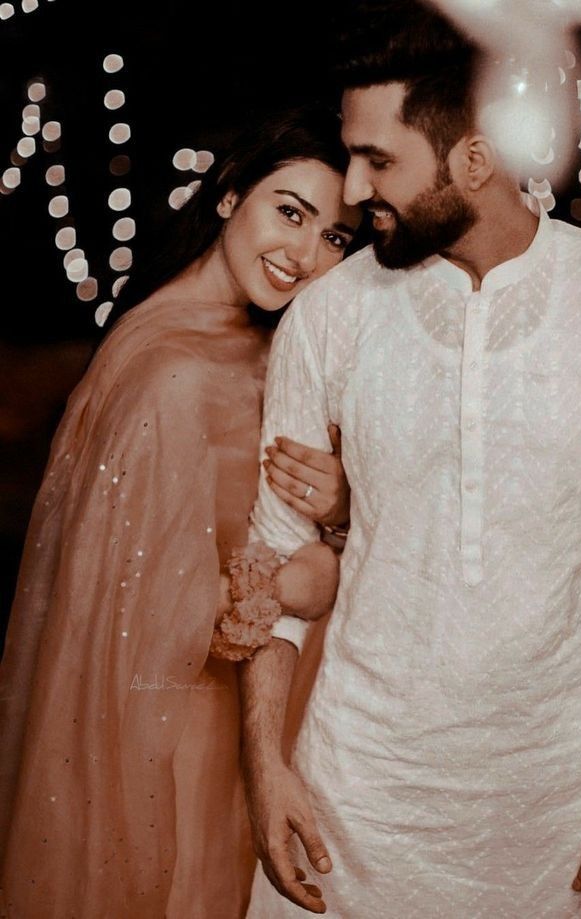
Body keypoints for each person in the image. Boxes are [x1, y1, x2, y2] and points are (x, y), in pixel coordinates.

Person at [238, 4, 581, 918]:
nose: (352, 189)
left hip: (575, 824)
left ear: (474, 157)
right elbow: (275, 555)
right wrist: (267, 769)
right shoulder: (330, 316)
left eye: (378, 160)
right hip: (357, 817)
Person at [0, 104, 362, 918]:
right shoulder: (170, 370)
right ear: (230, 194)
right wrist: (311, 578)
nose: (304, 255)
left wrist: (338, 508)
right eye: (290, 213)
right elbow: (146, 616)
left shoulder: (247, 340)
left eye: (335, 238)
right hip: (177, 733)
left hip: (237, 720)